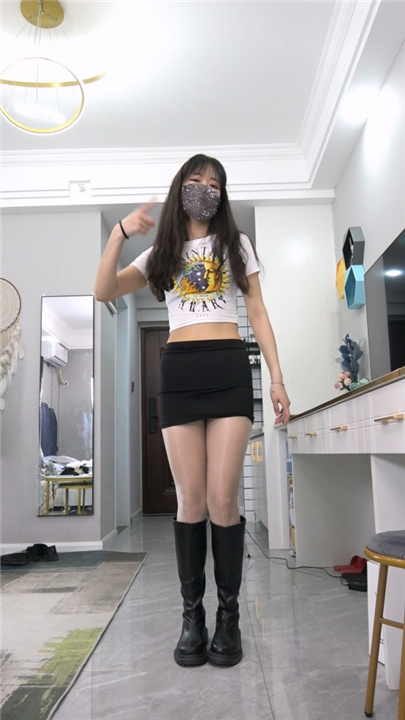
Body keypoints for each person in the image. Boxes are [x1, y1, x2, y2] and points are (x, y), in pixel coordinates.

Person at [94, 154, 290, 668]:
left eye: (214, 183)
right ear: (180, 186)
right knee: (191, 500)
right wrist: (118, 233)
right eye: (196, 180)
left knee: (223, 499)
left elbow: (257, 311)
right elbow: (103, 290)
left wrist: (277, 378)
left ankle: (229, 618)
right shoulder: (161, 252)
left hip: (228, 366)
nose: (205, 188)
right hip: (179, 372)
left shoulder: (235, 244)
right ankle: (192, 618)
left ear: (222, 195)